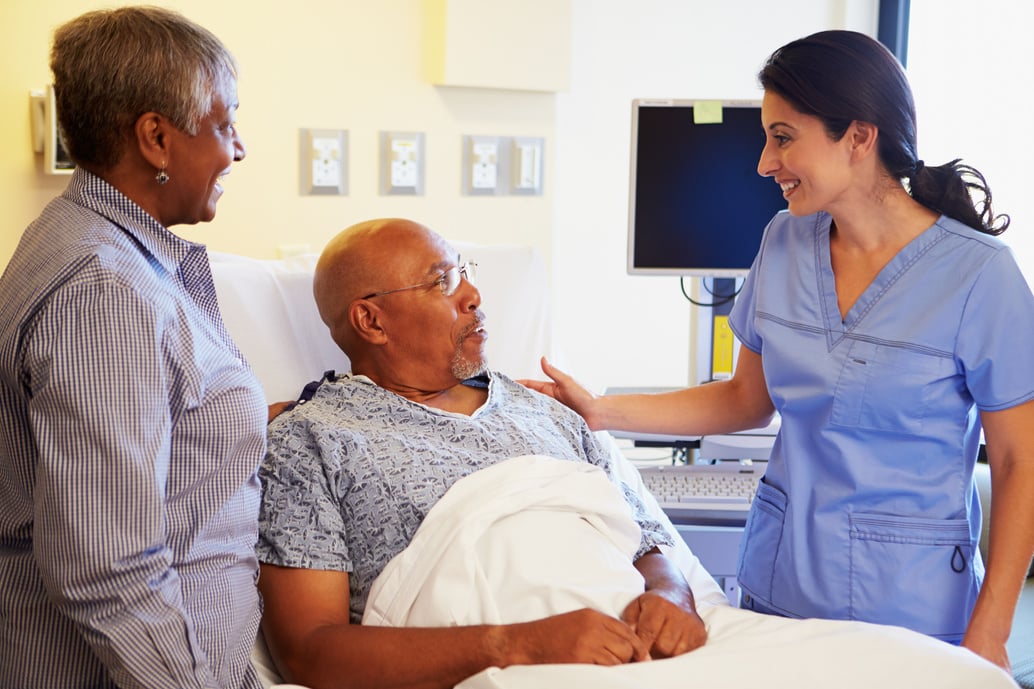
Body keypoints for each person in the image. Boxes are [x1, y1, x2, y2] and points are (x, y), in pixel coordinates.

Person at [522, 30, 1034, 672]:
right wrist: (599, 410)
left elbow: (1020, 463)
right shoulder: (785, 242)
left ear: (858, 136)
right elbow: (745, 400)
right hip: (781, 588)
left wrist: (991, 630)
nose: (766, 162)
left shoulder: (979, 276)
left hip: (915, 606)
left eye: (783, 137)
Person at [255, 218, 708, 689]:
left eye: (464, 272)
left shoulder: (546, 411)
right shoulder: (312, 440)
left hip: (648, 651)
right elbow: (310, 653)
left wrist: (674, 595)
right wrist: (521, 646)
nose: (472, 295)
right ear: (371, 321)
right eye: (442, 281)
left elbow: (643, 539)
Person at [0, 7, 264, 689]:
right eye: (226, 122)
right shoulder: (105, 289)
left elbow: (142, 418)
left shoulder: (86, 238)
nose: (238, 149)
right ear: (156, 138)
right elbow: (107, 568)